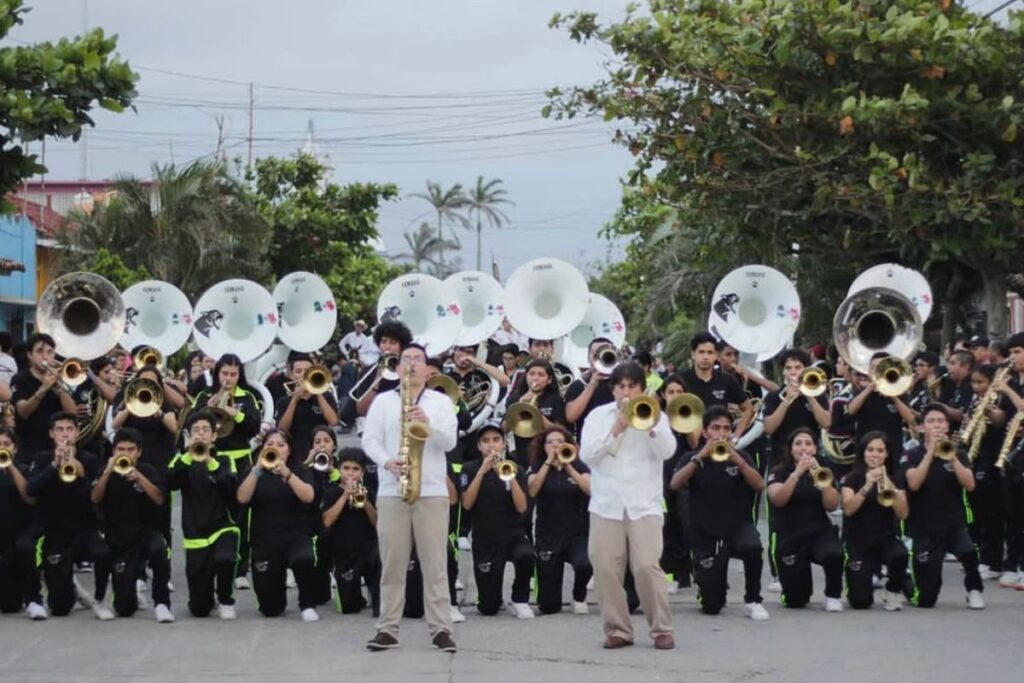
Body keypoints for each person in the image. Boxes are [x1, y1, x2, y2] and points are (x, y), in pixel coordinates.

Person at [362, 343, 458, 653]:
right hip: (393, 489)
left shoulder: (441, 402)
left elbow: (449, 442)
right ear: (398, 366)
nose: (412, 364)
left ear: (428, 369)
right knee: (392, 563)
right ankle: (388, 629)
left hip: (431, 490)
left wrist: (427, 423)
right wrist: (387, 461)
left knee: (435, 564)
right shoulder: (383, 402)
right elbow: (369, 441)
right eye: (407, 359)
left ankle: (441, 629)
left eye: (418, 360)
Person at [580, 361, 675, 650]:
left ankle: (661, 628)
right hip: (606, 504)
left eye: (632, 386)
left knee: (647, 566)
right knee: (606, 568)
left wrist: (649, 426)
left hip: (643, 503)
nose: (626, 391)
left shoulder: (656, 416)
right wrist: (617, 429)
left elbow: (668, 451)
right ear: (614, 389)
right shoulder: (598, 417)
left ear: (641, 387)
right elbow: (588, 455)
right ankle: (618, 629)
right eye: (621, 386)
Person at [670, 406, 769, 620]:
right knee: (712, 606)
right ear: (705, 432)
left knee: (753, 546)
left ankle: (753, 600)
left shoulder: (741, 456)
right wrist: (700, 457)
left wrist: (738, 461)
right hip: (706, 533)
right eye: (715, 428)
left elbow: (760, 485)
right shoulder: (692, 456)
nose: (721, 433)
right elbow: (675, 484)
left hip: (737, 526)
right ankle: (708, 585)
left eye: (726, 428)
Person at [26, 412, 113, 619]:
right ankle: (69, 586)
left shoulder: (90, 459)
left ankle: (99, 599)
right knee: (59, 608)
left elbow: (95, 497)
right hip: (55, 530)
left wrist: (81, 472)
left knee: (104, 554)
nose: (65, 434)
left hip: (84, 527)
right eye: (59, 430)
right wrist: (54, 465)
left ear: (77, 432)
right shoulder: (42, 458)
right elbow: (31, 489)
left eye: (69, 429)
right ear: (51, 433)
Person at [189, 354, 263, 589]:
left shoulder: (247, 397)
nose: (228, 379)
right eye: (224, 374)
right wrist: (206, 410)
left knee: (241, 515)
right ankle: (211, 564)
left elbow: (254, 427)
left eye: (233, 374)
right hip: (212, 460)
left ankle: (240, 569)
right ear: (217, 374)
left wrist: (235, 413)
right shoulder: (203, 396)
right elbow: (188, 424)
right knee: (211, 512)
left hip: (240, 461)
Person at [900, 404, 985, 609]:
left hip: (953, 524)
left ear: (947, 426)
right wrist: (930, 454)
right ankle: (900, 579)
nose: (936, 425)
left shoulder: (959, 454)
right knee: (926, 600)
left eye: (940, 421)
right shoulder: (912, 454)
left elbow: (970, 484)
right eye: (931, 421)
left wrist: (952, 456)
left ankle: (974, 590)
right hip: (924, 529)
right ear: (922, 428)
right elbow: (914, 484)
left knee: (968, 552)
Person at [236, 429, 320, 620]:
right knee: (271, 609)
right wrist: (256, 469)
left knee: (304, 559)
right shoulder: (253, 471)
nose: (275, 448)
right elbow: (242, 497)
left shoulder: (300, 470)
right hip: (265, 539)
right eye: (270, 444)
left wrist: (287, 474)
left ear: (289, 450)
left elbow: (308, 496)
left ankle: (307, 604)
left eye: (281, 445)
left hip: (296, 535)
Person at [90, 428, 173, 622]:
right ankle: (114, 597)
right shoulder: (105, 470)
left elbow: (160, 499)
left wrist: (140, 479)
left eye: (130, 449)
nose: (125, 454)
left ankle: (161, 604)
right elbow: (94, 497)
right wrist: (108, 472)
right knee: (125, 609)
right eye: (120, 449)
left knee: (160, 550)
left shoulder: (148, 470)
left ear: (139, 452)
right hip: (117, 537)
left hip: (145, 532)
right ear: (114, 451)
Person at [167, 410, 240, 619]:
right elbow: (171, 483)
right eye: (196, 430)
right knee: (199, 608)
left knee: (225, 558)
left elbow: (229, 487)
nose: (201, 434)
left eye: (205, 430)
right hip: (195, 534)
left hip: (223, 526)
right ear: (189, 435)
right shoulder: (181, 460)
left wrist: (210, 461)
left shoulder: (225, 460)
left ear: (214, 436)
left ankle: (226, 599)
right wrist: (189, 456)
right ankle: (208, 598)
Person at [766, 427, 844, 611]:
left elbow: (832, 506)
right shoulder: (779, 471)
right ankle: (799, 584)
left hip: (818, 530)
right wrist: (796, 474)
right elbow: (778, 499)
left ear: (815, 449)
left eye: (808, 444)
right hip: (790, 534)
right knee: (796, 601)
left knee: (834, 554)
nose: (803, 448)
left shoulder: (823, 470)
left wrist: (823, 483)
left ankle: (833, 595)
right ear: (791, 449)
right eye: (798, 444)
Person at [461, 422, 534, 618]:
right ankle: (489, 596)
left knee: (525, 555)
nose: (491, 445)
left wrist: (509, 477)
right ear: (479, 446)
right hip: (485, 539)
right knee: (488, 608)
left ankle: (520, 599)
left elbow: (522, 507)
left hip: (513, 535)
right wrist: (482, 472)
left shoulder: (515, 468)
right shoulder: (469, 468)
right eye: (485, 441)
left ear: (503, 444)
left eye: (496, 440)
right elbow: (467, 504)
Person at [839, 431, 909, 610]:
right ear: (863, 452)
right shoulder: (851, 478)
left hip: (886, 538)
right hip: (858, 542)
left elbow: (903, 514)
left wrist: (891, 488)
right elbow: (848, 509)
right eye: (870, 450)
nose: (875, 455)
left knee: (900, 554)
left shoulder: (896, 478)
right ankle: (861, 579)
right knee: (860, 602)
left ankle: (893, 590)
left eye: (880, 450)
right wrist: (867, 485)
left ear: (886, 454)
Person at [527, 425, 592, 615]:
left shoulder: (578, 465)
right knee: (548, 606)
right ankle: (550, 598)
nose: (555, 445)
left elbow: (589, 489)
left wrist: (569, 468)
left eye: (560, 441)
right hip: (548, 533)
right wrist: (548, 463)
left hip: (577, 531)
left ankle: (579, 596)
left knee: (585, 564)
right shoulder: (538, 465)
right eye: (550, 442)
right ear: (543, 447)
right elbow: (532, 490)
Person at [321, 447, 380, 615]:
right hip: (344, 553)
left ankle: (374, 593)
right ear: (339, 469)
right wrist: (345, 496)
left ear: (362, 473)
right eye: (346, 468)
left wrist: (366, 502)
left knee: (379, 560)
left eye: (355, 469)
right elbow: (327, 521)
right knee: (349, 608)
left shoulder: (369, 491)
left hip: (368, 549)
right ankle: (356, 596)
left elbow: (377, 523)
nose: (350, 473)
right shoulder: (332, 492)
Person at [963, 364, 1008, 581]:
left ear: (991, 382)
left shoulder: (998, 398)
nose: (976, 387)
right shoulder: (974, 399)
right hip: (976, 455)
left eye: (981, 382)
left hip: (992, 456)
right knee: (977, 509)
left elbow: (1001, 420)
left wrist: (987, 410)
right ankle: (982, 556)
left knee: (993, 513)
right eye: (973, 382)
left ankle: (994, 560)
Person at [0, 428, 46, 619]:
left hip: (24, 530)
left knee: (25, 549)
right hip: (3, 533)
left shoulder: (26, 469)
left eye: (6, 444)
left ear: (15, 448)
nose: (2, 448)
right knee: (9, 605)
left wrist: (10, 466)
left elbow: (29, 498)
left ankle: (34, 600)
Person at [762, 349, 832, 469]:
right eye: (788, 368)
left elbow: (826, 423)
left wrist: (810, 396)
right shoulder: (773, 396)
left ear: (806, 370)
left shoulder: (817, 395)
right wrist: (787, 399)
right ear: (783, 372)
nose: (793, 372)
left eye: (797, 367)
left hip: (810, 456)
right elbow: (769, 428)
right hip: (780, 457)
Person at [11, 333, 77, 460]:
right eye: (40, 351)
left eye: (50, 352)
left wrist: (61, 390)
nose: (45, 356)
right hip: (29, 448)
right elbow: (23, 412)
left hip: (58, 447)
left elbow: (72, 414)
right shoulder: (20, 379)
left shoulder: (60, 378)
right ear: (30, 355)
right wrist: (43, 388)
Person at [681, 332, 753, 440]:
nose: (705, 357)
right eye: (701, 352)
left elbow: (748, 408)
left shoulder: (727, 380)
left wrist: (735, 438)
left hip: (719, 444)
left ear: (715, 355)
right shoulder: (680, 379)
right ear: (693, 354)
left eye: (710, 352)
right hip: (686, 443)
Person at [993, 333, 1024, 588]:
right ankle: (1012, 564)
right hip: (1012, 451)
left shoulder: (1013, 386)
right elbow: (1005, 418)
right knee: (1012, 513)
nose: (1013, 358)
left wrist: (1008, 391)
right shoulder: (1013, 381)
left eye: (1017, 352)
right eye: (1012, 353)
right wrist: (989, 410)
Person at [503, 359, 566, 469]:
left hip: (546, 454)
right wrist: (519, 406)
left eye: (541, 375)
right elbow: (504, 429)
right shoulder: (515, 398)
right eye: (531, 374)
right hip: (522, 454)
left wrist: (537, 413)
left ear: (549, 379)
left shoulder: (555, 399)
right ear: (526, 376)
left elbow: (559, 431)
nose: (535, 378)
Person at [275, 352, 340, 457]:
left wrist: (317, 392)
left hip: (321, 451)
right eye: (298, 371)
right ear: (291, 375)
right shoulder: (284, 401)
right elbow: (282, 429)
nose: (303, 375)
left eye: (307, 371)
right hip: (295, 454)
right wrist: (294, 400)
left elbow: (333, 421)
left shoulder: (326, 396)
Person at [352, 321, 414, 418]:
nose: (387, 347)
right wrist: (378, 378)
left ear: (401, 346)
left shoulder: (410, 369)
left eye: (393, 342)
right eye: (383, 342)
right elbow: (361, 410)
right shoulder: (369, 371)